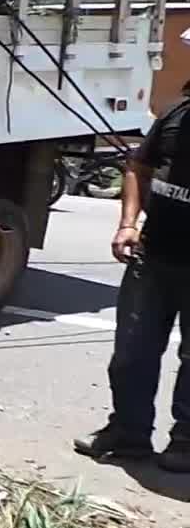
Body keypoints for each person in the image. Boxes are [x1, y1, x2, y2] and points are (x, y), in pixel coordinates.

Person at [74, 95, 190, 473]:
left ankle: (186, 443)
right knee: (131, 353)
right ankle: (128, 433)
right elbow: (138, 166)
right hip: (153, 255)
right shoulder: (178, 113)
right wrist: (128, 223)